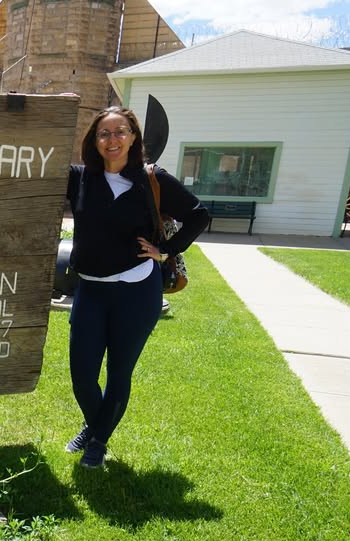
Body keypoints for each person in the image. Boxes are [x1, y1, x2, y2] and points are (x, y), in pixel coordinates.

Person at [64, 106, 208, 468]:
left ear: (133, 137)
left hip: (136, 293)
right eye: (104, 133)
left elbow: (198, 215)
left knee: (118, 372)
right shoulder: (79, 178)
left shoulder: (151, 178)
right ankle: (97, 424)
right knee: (82, 373)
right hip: (92, 291)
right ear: (93, 141)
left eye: (120, 132)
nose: (112, 140)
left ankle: (97, 439)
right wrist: (58, 110)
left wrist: (166, 251)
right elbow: (40, 154)